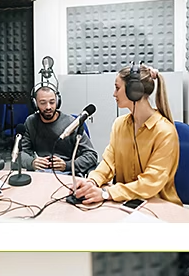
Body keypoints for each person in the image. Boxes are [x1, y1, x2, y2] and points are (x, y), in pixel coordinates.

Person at [73, 64, 181, 205]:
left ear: (134, 91)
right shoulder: (120, 124)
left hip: (158, 206)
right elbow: (108, 162)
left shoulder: (165, 132)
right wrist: (92, 182)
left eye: (117, 88)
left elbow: (150, 183)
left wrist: (108, 193)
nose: (114, 94)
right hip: (125, 202)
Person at [19, 85, 98, 176]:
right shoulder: (31, 122)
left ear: (58, 102)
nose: (48, 107)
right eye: (43, 103)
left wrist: (67, 165)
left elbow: (91, 155)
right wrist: (32, 162)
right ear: (35, 104)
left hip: (68, 173)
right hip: (43, 174)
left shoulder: (71, 123)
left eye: (52, 102)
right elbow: (21, 153)